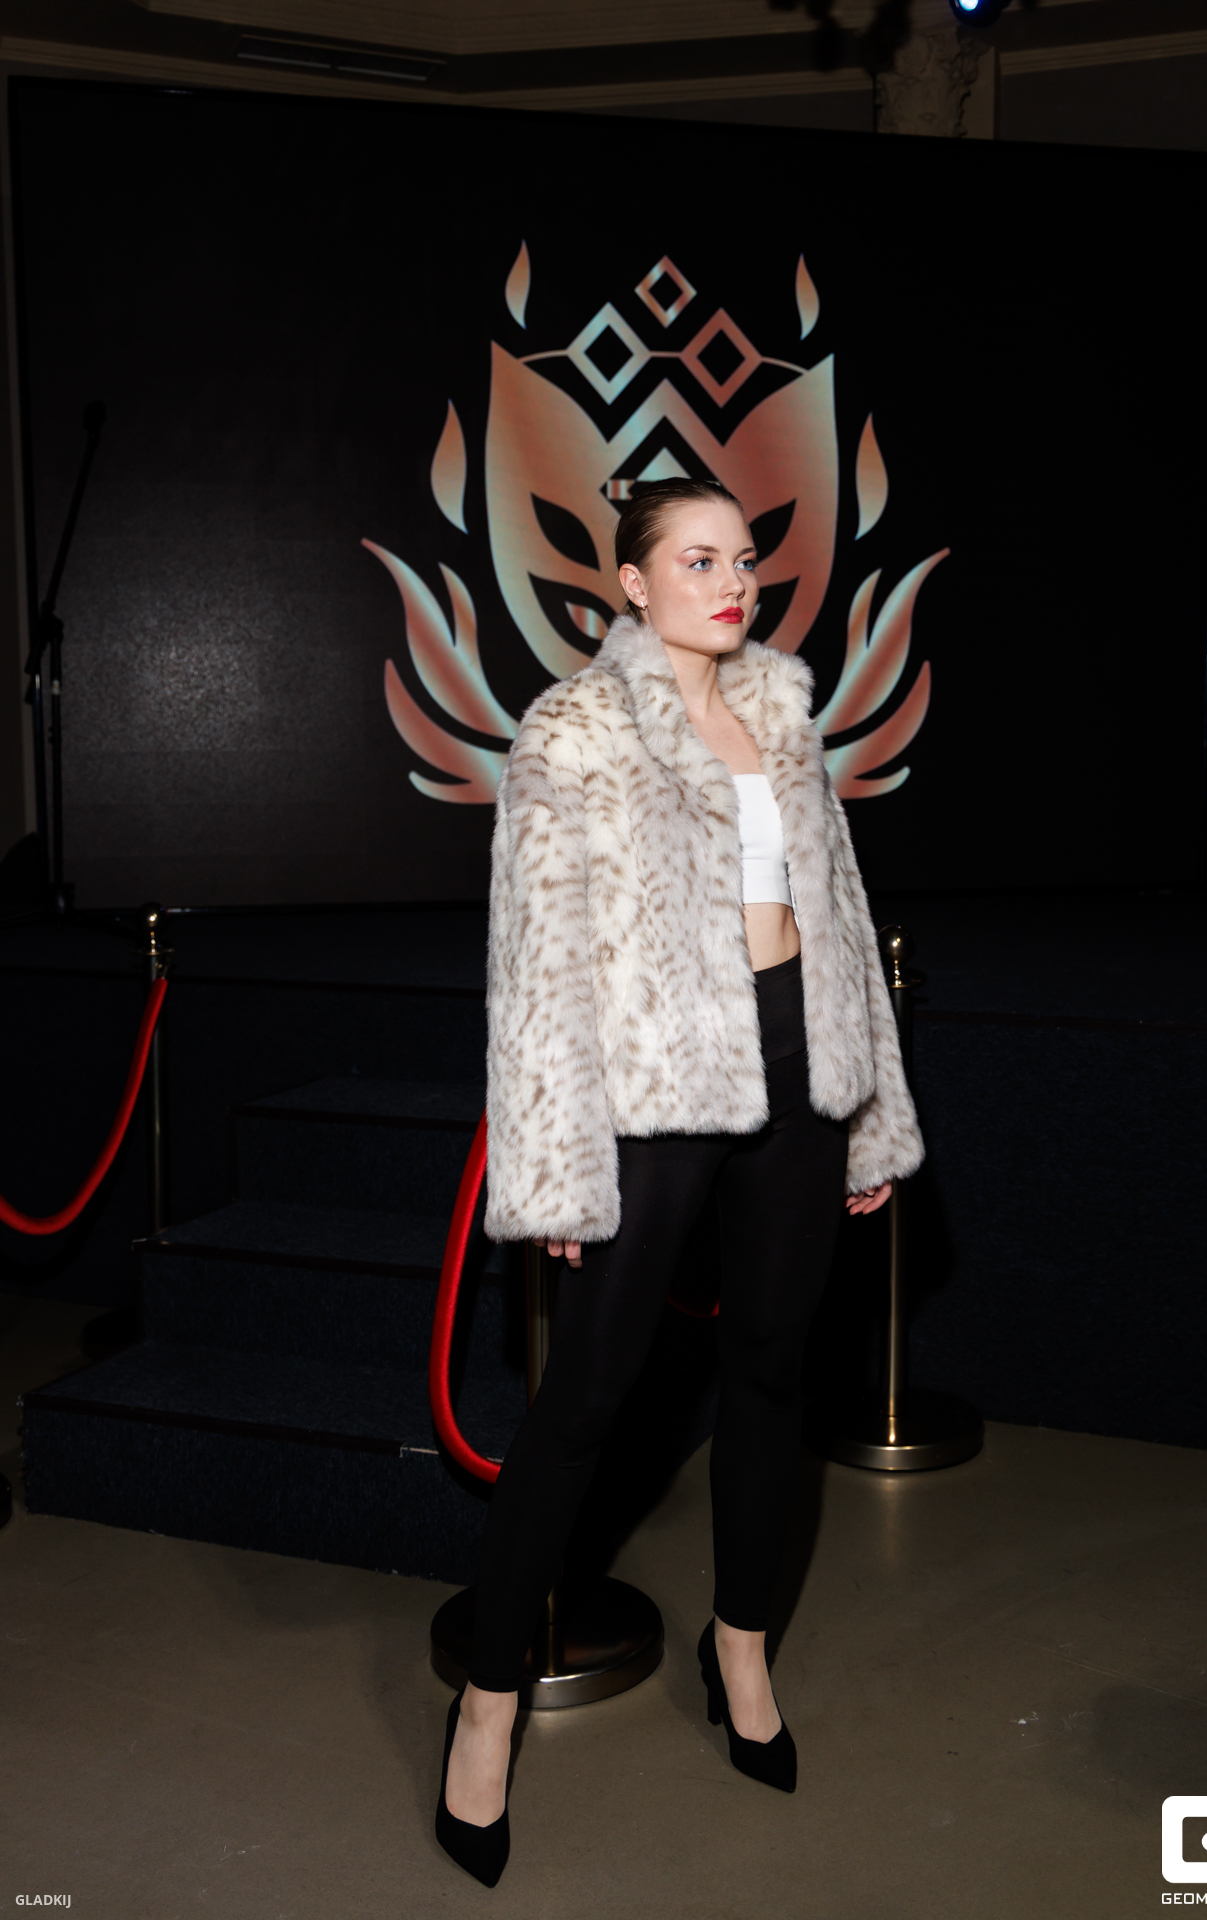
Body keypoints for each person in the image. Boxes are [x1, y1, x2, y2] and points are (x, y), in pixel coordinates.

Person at [434, 477, 923, 1887]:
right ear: (634, 585)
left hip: (799, 1065)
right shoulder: (573, 731)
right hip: (653, 1092)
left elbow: (842, 922)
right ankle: (485, 1707)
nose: (733, 581)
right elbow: (535, 967)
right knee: (585, 1399)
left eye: (745, 557)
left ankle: (742, 1648)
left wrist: (869, 1112)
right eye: (698, 560)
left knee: (772, 1373)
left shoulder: (784, 715)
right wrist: (557, 1166)